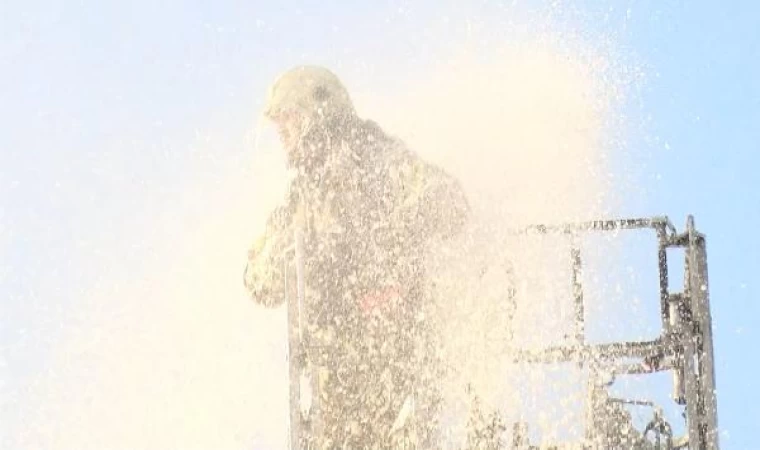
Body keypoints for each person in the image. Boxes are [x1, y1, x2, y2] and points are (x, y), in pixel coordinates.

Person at [244, 65, 470, 449]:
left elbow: (447, 199)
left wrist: (397, 227)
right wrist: (287, 255)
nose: (282, 134)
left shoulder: (380, 161)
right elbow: (258, 283)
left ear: (319, 114)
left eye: (289, 120)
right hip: (333, 379)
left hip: (396, 358)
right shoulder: (301, 199)